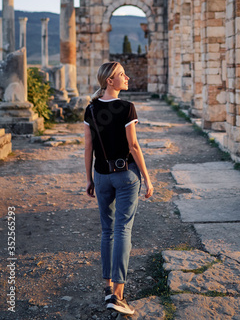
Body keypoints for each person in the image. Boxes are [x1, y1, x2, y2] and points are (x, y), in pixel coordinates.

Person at [84, 61, 153, 316]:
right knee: (123, 230)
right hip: (126, 176)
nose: (127, 77)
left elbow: (88, 148)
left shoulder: (90, 110)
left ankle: (107, 286)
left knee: (106, 231)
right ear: (110, 81)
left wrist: (89, 178)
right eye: (121, 74)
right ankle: (118, 295)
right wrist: (147, 178)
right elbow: (133, 147)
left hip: (101, 177)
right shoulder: (126, 108)